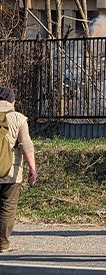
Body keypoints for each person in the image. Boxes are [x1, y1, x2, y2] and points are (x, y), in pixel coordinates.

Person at [0, 87, 37, 253]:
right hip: (10, 173)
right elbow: (26, 145)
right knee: (7, 209)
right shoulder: (19, 118)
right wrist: (32, 169)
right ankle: (2, 245)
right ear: (11, 101)